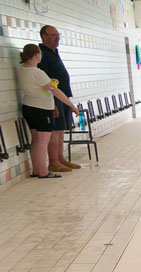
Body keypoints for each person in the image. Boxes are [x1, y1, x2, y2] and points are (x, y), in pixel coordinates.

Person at [18, 44, 79, 179]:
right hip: (41, 109)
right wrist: (71, 105)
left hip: (28, 107)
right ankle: (43, 172)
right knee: (43, 141)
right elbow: (54, 91)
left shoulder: (23, 70)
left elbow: (38, 85)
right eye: (40, 53)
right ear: (36, 55)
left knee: (35, 140)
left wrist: (50, 82)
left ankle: (36, 170)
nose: (41, 56)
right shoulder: (38, 72)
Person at [37, 26, 78, 173]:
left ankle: (61, 159)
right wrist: (52, 102)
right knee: (55, 130)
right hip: (53, 97)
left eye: (58, 35)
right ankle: (53, 161)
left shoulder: (53, 52)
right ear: (44, 36)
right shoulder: (41, 53)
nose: (57, 38)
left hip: (62, 95)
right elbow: (45, 81)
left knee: (61, 129)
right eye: (53, 35)